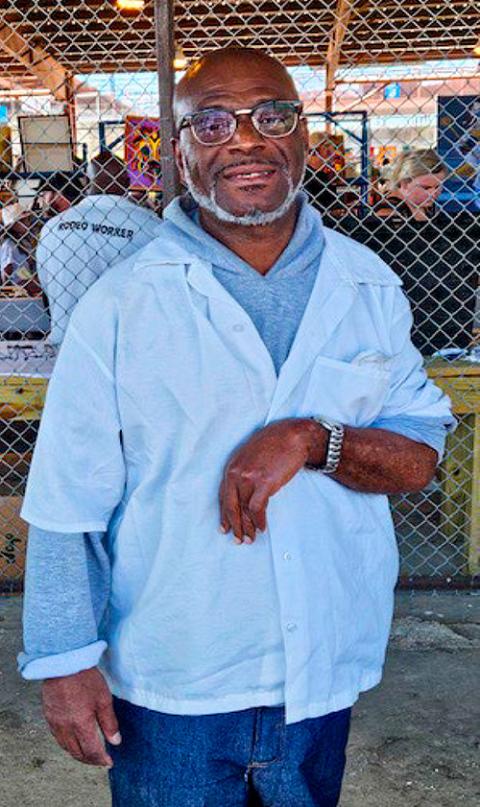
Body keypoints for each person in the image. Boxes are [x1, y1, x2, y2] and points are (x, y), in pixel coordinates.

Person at [19, 48, 454, 806]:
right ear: (180, 153)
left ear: (303, 134)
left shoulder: (367, 286)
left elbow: (418, 457)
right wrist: (62, 661)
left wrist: (313, 439)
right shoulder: (125, 304)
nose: (245, 139)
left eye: (270, 115)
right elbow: (66, 503)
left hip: (320, 669)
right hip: (172, 677)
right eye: (212, 122)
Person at [36, 152, 162, 345]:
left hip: (67, 342)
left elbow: (47, 287)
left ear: (86, 180)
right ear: (127, 181)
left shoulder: (53, 227)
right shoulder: (149, 225)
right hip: (126, 342)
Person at [374, 149, 446, 222]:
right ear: (404, 183)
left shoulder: (426, 207)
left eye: (437, 187)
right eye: (426, 188)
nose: (433, 194)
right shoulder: (388, 211)